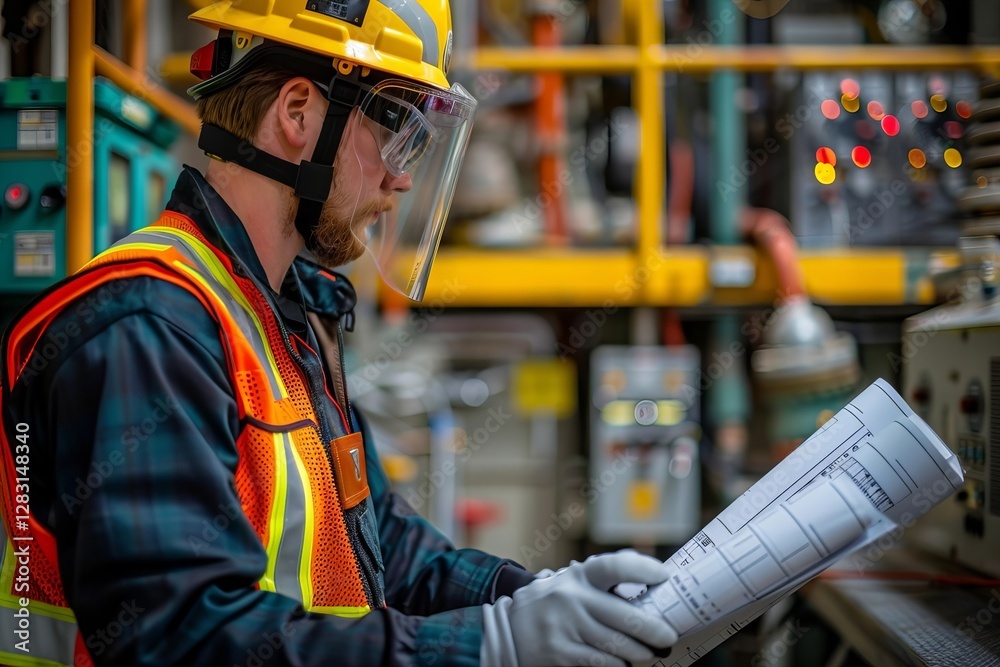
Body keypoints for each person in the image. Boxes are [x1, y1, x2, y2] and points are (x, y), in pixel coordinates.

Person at [0, 1, 679, 665]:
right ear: (299, 113)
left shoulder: (288, 319)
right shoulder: (150, 326)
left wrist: (530, 596)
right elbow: (181, 637)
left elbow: (380, 545)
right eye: (395, 126)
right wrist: (490, 643)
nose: (402, 176)